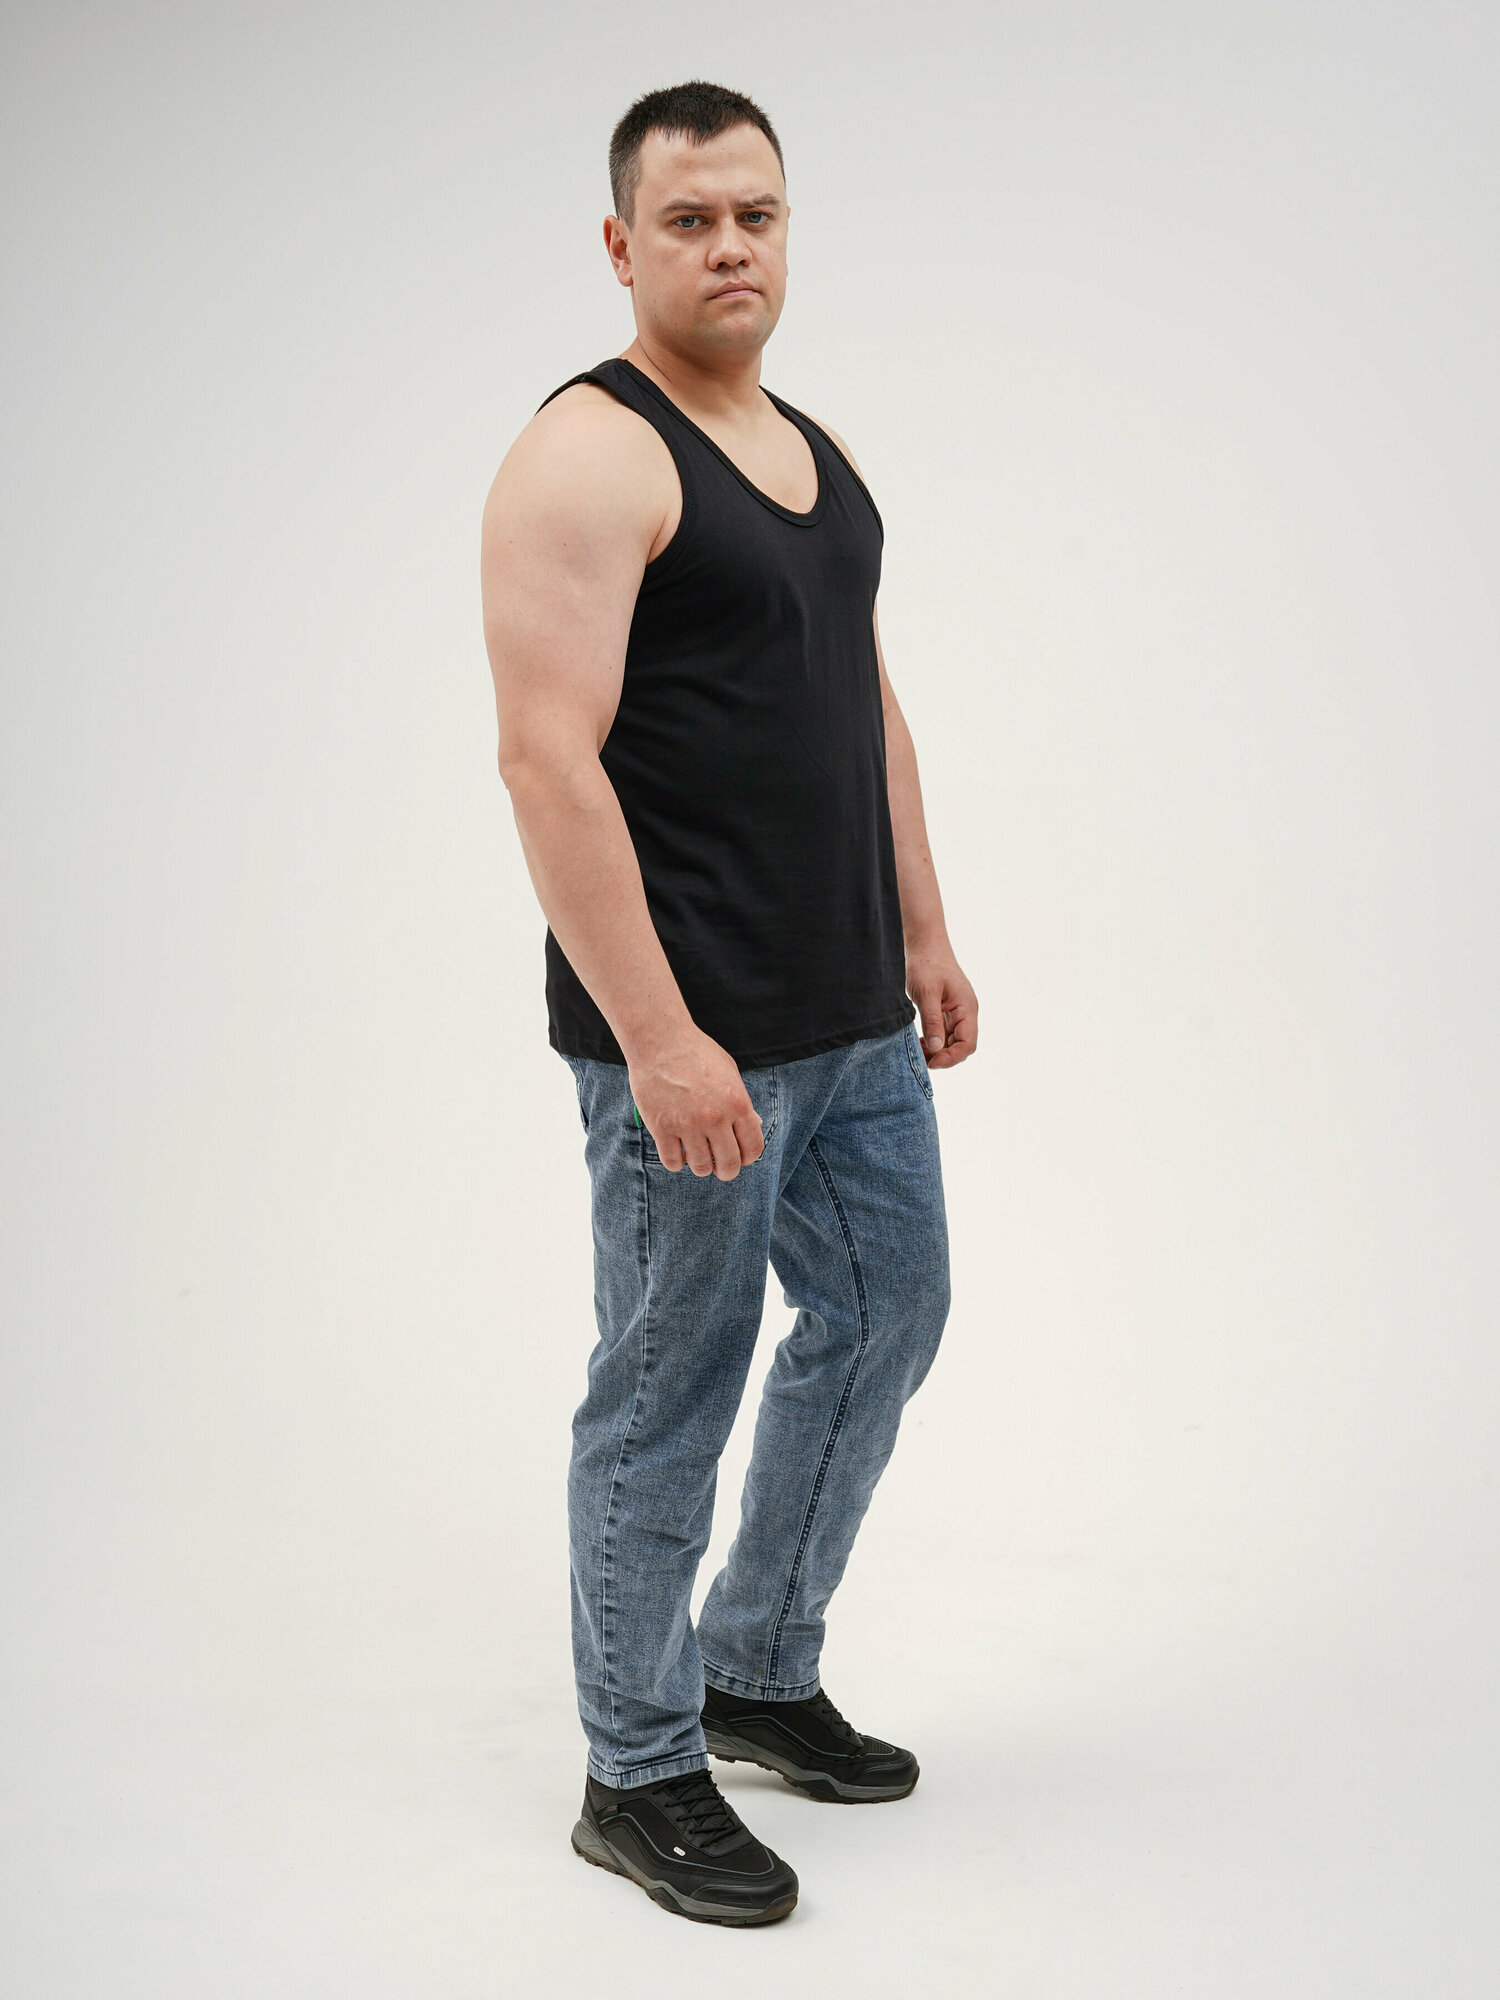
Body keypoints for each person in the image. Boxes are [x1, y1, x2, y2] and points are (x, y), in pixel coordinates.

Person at [480, 79, 977, 1927]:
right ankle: (636, 1766)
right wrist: (662, 1038)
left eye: (754, 214)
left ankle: (757, 1665)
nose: (729, 247)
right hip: (694, 1037)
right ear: (624, 246)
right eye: (688, 221)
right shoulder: (587, 455)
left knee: (888, 1309)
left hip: (851, 1015)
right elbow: (546, 763)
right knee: (664, 1391)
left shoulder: (808, 446)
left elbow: (863, 702)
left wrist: (923, 930)